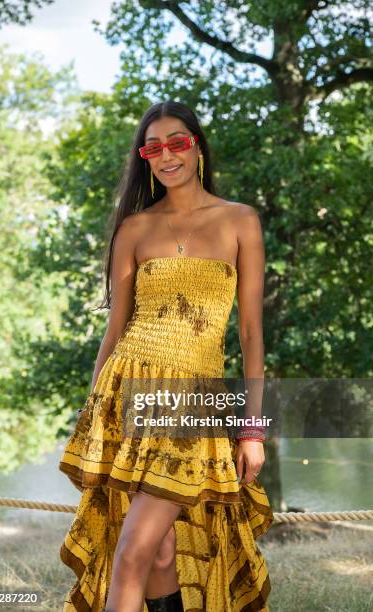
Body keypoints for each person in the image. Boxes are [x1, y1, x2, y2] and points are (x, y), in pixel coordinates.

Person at [59, 100, 274, 612]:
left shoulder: (240, 220)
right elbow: (114, 333)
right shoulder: (134, 228)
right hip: (127, 394)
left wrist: (253, 428)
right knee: (157, 555)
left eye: (177, 142)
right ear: (145, 158)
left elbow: (250, 334)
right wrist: (93, 414)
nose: (167, 155)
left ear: (197, 145)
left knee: (135, 552)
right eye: (153, 147)